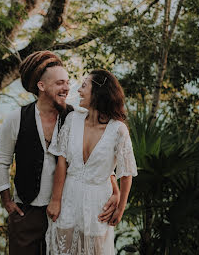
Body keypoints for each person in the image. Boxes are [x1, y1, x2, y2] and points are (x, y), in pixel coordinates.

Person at [0, 52, 120, 255]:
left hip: (68, 210)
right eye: (60, 83)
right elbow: (1, 162)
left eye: (68, 82)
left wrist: (115, 189)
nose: (67, 88)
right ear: (41, 86)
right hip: (27, 210)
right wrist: (7, 202)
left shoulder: (77, 117)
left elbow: (96, 157)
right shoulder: (16, 118)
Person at [46, 69, 138, 255]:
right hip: (68, 199)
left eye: (84, 85)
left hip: (98, 205)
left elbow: (126, 173)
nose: (79, 90)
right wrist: (55, 200)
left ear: (98, 93)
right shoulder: (72, 120)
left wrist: (120, 210)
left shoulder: (118, 130)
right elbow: (62, 162)